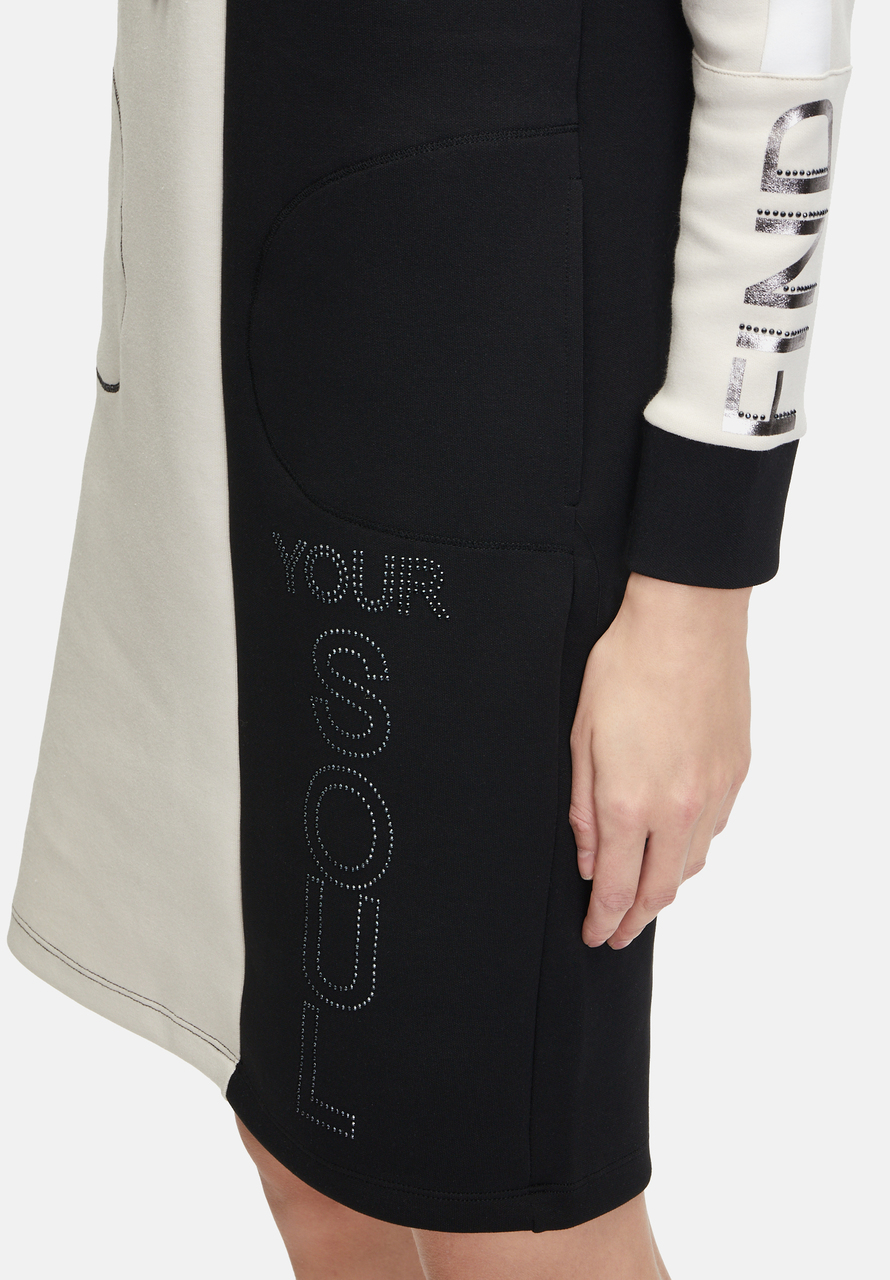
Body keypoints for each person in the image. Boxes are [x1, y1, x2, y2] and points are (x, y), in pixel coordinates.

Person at [6, 2, 857, 1277]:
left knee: (503, 1206)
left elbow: (779, 42)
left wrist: (695, 585)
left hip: (498, 391)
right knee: (304, 1140)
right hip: (227, 304)